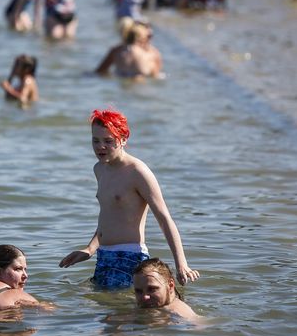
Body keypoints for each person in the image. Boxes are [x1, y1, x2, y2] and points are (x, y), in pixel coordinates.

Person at [59, 109, 199, 289]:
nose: (100, 146)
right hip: (104, 256)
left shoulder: (138, 172)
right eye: (95, 140)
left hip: (129, 257)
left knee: (126, 313)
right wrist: (90, 249)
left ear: (123, 139)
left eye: (108, 141)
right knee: (104, 312)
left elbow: (164, 219)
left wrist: (181, 263)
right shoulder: (100, 169)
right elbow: (109, 215)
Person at [132, 258, 201, 322]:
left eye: (152, 289)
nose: (145, 297)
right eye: (139, 291)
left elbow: (199, 325)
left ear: (170, 285)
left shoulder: (179, 313)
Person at [95, 22, 162, 79]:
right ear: (143, 38)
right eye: (149, 37)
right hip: (141, 87)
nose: (149, 40)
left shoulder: (116, 50)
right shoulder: (154, 54)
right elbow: (155, 77)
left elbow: (99, 72)